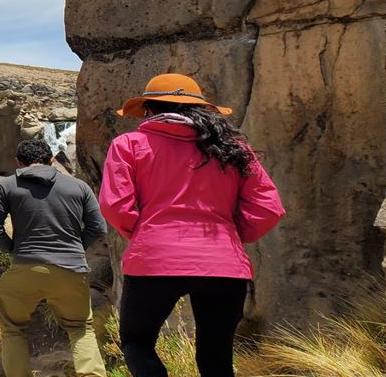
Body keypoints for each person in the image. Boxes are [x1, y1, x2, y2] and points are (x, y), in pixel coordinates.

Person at [99, 73, 285, 377]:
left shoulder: (129, 144)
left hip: (155, 260)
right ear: (202, 110)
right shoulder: (233, 148)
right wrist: (232, 237)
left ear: (148, 109)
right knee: (216, 357)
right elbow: (268, 208)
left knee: (137, 343)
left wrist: (147, 234)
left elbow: (114, 205)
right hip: (224, 264)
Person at [0, 139, 108, 377]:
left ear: (18, 162)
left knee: (13, 329)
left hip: (25, 267)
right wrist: (74, 248)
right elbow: (98, 227)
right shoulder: (79, 187)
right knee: (80, 328)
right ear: (52, 160)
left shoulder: (5, 186)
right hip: (71, 270)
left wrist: (13, 250)